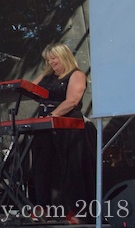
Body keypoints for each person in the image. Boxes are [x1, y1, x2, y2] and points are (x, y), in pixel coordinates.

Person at [29, 42, 95, 223]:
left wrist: (52, 116)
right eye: (48, 59)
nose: (51, 62)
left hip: (68, 125)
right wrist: (43, 74)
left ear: (64, 56)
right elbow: (29, 89)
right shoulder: (48, 76)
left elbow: (72, 101)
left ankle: (76, 210)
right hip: (46, 126)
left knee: (71, 167)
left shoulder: (76, 75)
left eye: (54, 58)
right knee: (42, 166)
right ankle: (44, 207)